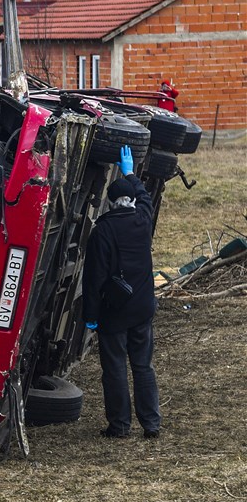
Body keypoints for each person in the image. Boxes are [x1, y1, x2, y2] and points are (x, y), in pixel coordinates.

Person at [82, 145, 161, 439]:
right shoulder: (143, 220)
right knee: (143, 366)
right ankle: (151, 424)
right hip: (142, 308)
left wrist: (90, 317)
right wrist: (130, 171)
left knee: (115, 369)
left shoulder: (103, 231)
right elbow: (145, 197)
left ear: (111, 202)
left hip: (114, 313)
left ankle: (120, 426)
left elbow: (94, 279)